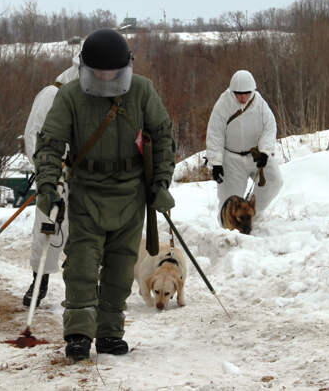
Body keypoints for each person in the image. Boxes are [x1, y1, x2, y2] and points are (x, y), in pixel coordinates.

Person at [33, 28, 176, 362]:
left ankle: (110, 333)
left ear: (125, 67)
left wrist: (161, 183)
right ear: (86, 68)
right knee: (81, 264)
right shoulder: (70, 96)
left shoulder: (142, 91)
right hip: (86, 193)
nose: (106, 78)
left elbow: (163, 135)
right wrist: (47, 186)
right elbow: (50, 144)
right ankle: (79, 333)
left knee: (121, 267)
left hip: (131, 194)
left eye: (112, 72)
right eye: (99, 72)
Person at [21, 55, 79, 308]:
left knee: (81, 233)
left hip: (82, 176)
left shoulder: (92, 97)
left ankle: (78, 286)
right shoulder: (51, 95)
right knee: (47, 227)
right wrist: (47, 172)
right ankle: (39, 281)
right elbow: (33, 134)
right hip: (54, 175)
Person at [205, 70, 283, 224]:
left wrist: (265, 152)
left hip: (255, 154)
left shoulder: (259, 103)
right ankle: (228, 230)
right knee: (228, 201)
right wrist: (216, 163)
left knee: (274, 180)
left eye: (246, 93)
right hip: (232, 158)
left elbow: (269, 126)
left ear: (252, 91)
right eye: (238, 93)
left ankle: (253, 212)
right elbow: (215, 133)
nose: (242, 97)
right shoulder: (223, 104)